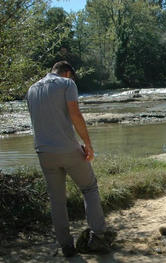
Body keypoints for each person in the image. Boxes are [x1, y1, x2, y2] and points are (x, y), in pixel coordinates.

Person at [26, 61, 112, 257]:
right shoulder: (67, 84)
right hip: (68, 150)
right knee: (89, 188)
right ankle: (98, 236)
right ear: (67, 73)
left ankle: (66, 246)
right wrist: (87, 144)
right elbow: (75, 115)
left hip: (43, 152)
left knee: (57, 201)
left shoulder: (31, 90)